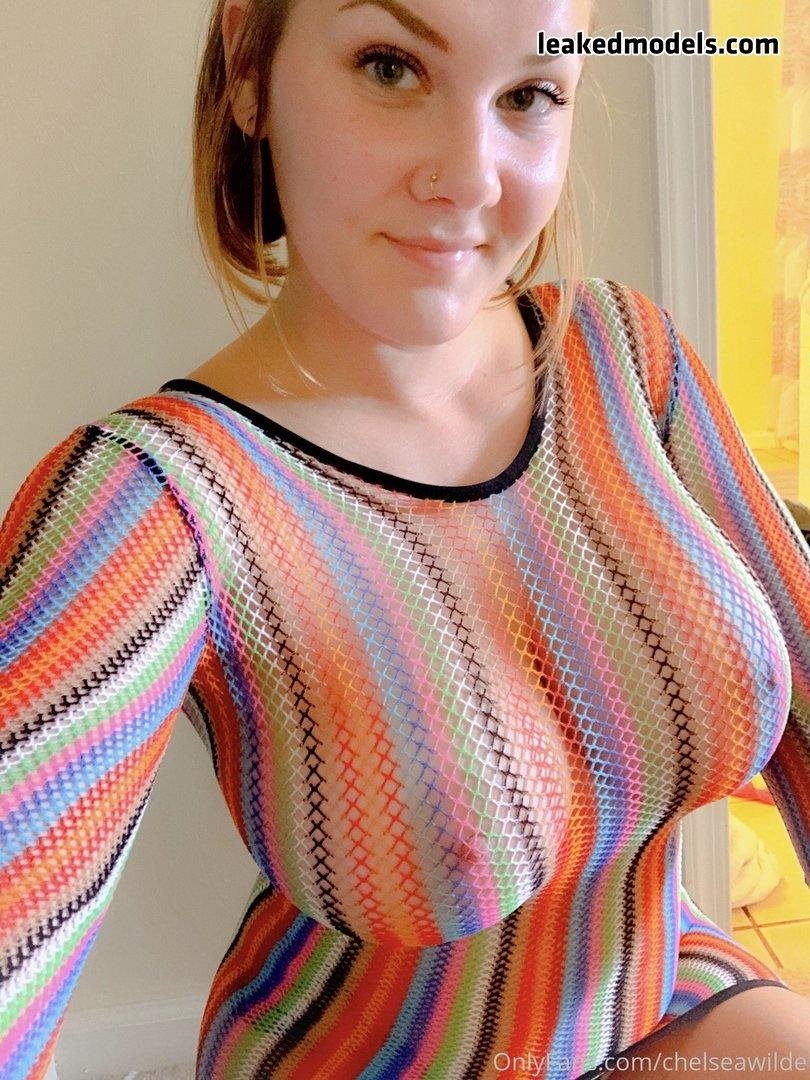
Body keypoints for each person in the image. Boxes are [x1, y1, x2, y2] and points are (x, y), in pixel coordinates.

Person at [1, 0, 809, 1077]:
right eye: (390, 67)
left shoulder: (629, 358)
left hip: (665, 1004)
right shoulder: (152, 501)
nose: (469, 179)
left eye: (530, 93)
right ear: (249, 65)